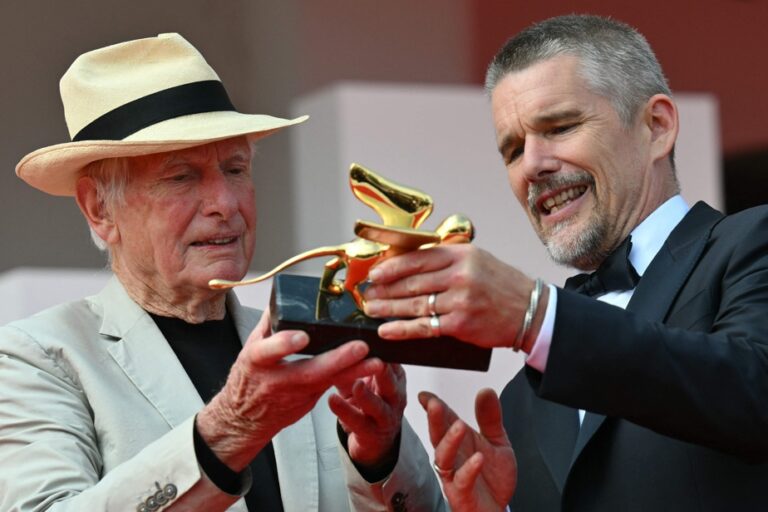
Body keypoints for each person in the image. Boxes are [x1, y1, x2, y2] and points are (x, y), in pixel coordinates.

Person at [0, 33, 442, 511]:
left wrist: (379, 458)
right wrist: (230, 427)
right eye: (181, 176)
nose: (225, 205)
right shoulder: (38, 359)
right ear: (99, 209)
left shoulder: (306, 336)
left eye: (235, 169)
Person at [361, 14, 768, 511]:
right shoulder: (518, 403)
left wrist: (535, 317)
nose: (532, 165)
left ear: (656, 128)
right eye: (512, 150)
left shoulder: (751, 244)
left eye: (560, 127)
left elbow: (753, 389)